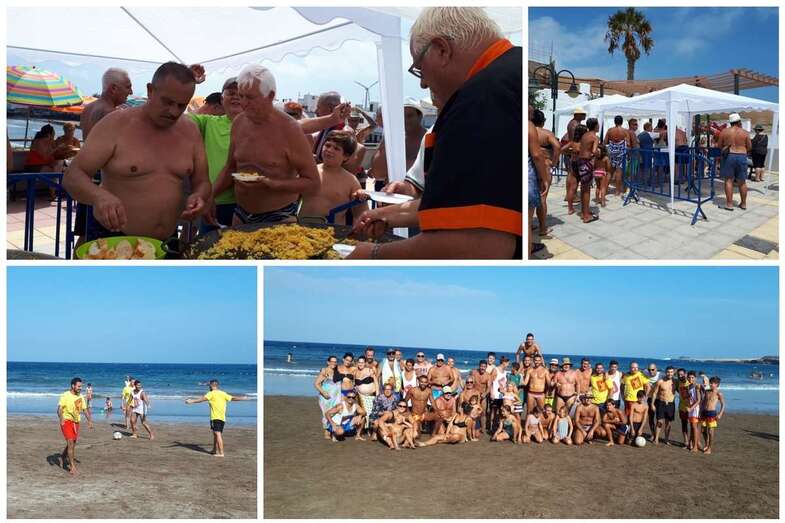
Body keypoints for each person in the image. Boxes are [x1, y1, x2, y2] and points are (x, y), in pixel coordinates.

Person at [349, 7, 522, 259]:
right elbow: (468, 209)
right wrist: (388, 215)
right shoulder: (508, 75)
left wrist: (372, 254)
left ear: (442, 49)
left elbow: (480, 245)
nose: (423, 83)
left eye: (419, 67)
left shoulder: (478, 100)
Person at [64, 62, 211, 241]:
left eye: (181, 106)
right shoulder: (116, 124)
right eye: (167, 102)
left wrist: (199, 196)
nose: (173, 111)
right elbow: (73, 175)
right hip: (115, 238)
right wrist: (99, 196)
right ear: (150, 90)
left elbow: (202, 181)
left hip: (167, 242)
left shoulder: (190, 130)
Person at [210, 64, 320, 226]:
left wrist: (275, 184)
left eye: (251, 97)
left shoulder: (289, 130)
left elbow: (313, 183)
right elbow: (230, 168)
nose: (244, 103)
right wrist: (209, 197)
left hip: (279, 216)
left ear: (270, 95)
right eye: (241, 96)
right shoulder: (239, 123)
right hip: (240, 213)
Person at [299, 130, 366, 224]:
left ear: (346, 156)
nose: (329, 150)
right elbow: (290, 199)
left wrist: (361, 197)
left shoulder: (351, 181)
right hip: (302, 231)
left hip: (332, 233)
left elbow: (360, 213)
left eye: (336, 148)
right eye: (327, 145)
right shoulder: (310, 172)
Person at [184, 379, 253, 455]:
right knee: (216, 434)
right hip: (222, 418)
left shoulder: (211, 393)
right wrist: (243, 398)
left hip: (215, 417)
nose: (208, 387)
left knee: (217, 434)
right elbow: (233, 398)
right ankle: (214, 450)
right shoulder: (223, 393)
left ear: (211, 386)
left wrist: (191, 401)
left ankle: (221, 453)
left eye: (209, 386)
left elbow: (202, 399)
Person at [57, 377, 93, 476]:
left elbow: (85, 409)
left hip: (76, 422)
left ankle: (63, 457)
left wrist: (89, 420)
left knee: (72, 443)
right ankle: (72, 467)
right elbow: (59, 409)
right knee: (70, 443)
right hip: (66, 421)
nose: (80, 388)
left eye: (81, 386)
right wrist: (61, 418)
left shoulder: (80, 397)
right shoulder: (65, 395)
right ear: (73, 386)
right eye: (79, 386)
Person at [532, 110, 559, 237]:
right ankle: (543, 228)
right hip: (544, 166)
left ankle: (529, 223)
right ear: (543, 121)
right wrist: (553, 162)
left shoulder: (527, 131)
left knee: (528, 197)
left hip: (529, 166)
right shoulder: (546, 133)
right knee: (542, 197)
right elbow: (557, 146)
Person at [717, 113, 751, 211]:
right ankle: (743, 204)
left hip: (729, 156)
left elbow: (719, 146)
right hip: (742, 156)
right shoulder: (745, 132)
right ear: (739, 122)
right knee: (742, 182)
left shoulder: (724, 131)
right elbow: (749, 147)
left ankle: (729, 204)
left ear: (730, 122)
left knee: (728, 180)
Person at [313, 355, 341, 439]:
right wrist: (324, 393)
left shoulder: (337, 371)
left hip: (336, 397)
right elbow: (316, 383)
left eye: (335, 362)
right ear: (328, 362)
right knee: (326, 413)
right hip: (326, 398)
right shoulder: (324, 371)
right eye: (332, 361)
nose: (334, 363)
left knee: (334, 413)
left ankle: (332, 430)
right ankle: (326, 431)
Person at [650, 366, 676, 445]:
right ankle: (656, 438)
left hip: (671, 404)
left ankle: (666, 439)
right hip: (661, 403)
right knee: (659, 422)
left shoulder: (675, 382)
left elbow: (683, 389)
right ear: (665, 372)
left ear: (673, 373)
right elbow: (654, 393)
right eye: (668, 372)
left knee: (668, 423)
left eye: (671, 372)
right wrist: (652, 404)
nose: (670, 373)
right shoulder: (660, 381)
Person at [604, 115, 630, 197]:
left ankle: (604, 189)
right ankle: (617, 191)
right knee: (619, 172)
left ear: (614, 122)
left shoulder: (610, 130)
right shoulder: (625, 131)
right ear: (622, 122)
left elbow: (605, 142)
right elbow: (628, 144)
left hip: (612, 153)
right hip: (621, 153)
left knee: (609, 172)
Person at [353, 356, 378, 438]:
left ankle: (371, 431)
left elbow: (376, 382)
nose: (361, 364)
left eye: (362, 362)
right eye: (359, 362)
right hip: (361, 397)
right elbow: (354, 384)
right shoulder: (355, 372)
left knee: (371, 414)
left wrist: (377, 395)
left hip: (371, 396)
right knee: (364, 413)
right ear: (357, 363)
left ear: (365, 363)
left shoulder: (369, 370)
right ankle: (364, 430)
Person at [700, 377, 725, 454]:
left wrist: (720, 414)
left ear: (717, 384)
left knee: (710, 431)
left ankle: (710, 448)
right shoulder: (707, 391)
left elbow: (723, 404)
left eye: (712, 383)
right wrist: (700, 411)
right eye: (710, 382)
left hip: (712, 413)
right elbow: (703, 402)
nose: (710, 384)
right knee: (703, 430)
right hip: (704, 412)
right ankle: (706, 444)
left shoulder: (719, 393)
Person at [487, 356, 509, 432]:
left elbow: (505, 384)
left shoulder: (505, 372)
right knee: (493, 411)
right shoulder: (495, 370)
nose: (508, 364)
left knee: (501, 412)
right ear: (504, 362)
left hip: (502, 396)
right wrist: (491, 393)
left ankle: (498, 427)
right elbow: (490, 382)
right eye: (507, 363)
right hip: (495, 395)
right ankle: (491, 427)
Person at [470, 360, 491, 433]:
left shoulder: (488, 375)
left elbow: (489, 387)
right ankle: (471, 426)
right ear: (479, 366)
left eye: (484, 367)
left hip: (483, 396)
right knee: (472, 411)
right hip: (474, 395)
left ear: (486, 367)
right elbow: (470, 382)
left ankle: (483, 428)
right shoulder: (474, 372)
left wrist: (485, 394)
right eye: (481, 366)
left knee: (483, 412)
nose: (482, 368)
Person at [685, 371, 703, 452]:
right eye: (689, 377)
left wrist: (691, 408)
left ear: (695, 378)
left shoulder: (697, 386)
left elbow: (699, 400)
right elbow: (691, 397)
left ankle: (695, 446)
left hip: (696, 409)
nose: (690, 379)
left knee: (694, 427)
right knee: (692, 427)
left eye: (692, 377)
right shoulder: (689, 386)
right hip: (691, 408)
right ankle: (692, 444)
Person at [676, 368, 690, 447]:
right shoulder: (678, 383)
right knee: (684, 424)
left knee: (693, 425)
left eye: (682, 374)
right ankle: (686, 441)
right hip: (682, 407)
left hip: (691, 407)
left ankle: (693, 442)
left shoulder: (690, 382)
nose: (680, 376)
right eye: (679, 375)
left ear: (685, 374)